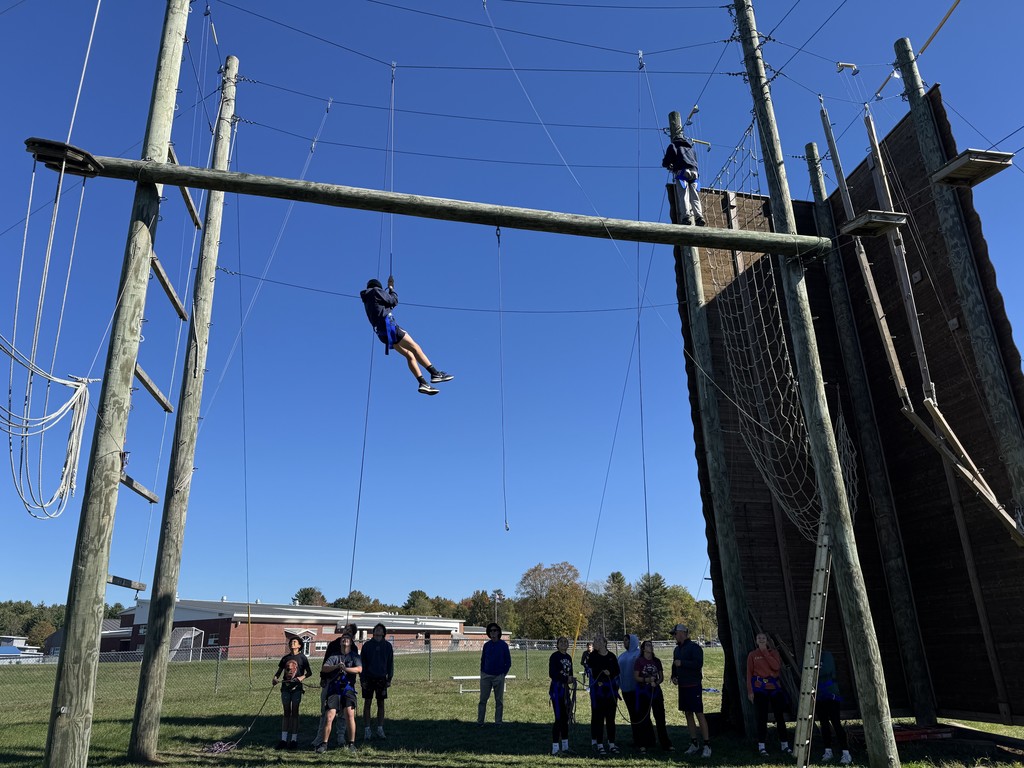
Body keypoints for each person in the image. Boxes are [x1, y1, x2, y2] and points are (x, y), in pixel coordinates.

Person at [360, 276, 453, 396]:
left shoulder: (367, 300)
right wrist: (392, 289)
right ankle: (435, 373)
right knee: (415, 347)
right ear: (378, 286)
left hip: (382, 334)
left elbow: (386, 305)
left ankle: (423, 383)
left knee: (409, 355)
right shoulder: (376, 291)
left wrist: (388, 295)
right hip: (390, 327)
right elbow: (393, 300)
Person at [313, 623, 360, 748]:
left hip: (347, 685)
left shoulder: (354, 648)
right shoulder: (333, 645)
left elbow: (358, 667)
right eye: (346, 630)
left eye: (350, 631)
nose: (347, 632)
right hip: (331, 682)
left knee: (345, 713)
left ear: (353, 635)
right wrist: (323, 677)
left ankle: (341, 736)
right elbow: (325, 663)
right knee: (326, 711)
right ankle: (320, 737)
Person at [746, 631, 791, 757]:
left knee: (779, 716)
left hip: (774, 687)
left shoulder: (774, 653)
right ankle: (762, 746)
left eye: (763, 638)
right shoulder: (752, 655)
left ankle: (784, 745)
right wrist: (750, 691)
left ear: (767, 640)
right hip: (760, 688)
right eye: (759, 638)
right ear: (756, 640)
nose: (761, 640)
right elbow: (749, 674)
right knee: (762, 717)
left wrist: (765, 652)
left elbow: (776, 667)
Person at [670, 623, 711, 757]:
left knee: (699, 713)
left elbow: (698, 664)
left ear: (682, 633)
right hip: (682, 686)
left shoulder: (695, 648)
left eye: (675, 634)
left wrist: (683, 663)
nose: (674, 637)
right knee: (688, 714)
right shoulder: (676, 650)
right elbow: (674, 665)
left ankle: (707, 745)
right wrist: (674, 676)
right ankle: (694, 743)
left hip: (693, 685)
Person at [271, 636, 313, 750]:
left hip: (296, 689)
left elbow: (309, 672)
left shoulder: (302, 658)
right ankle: (284, 739)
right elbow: (279, 672)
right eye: (291, 642)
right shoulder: (285, 658)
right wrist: (275, 678)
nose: (292, 644)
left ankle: (294, 740)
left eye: (294, 642)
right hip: (285, 688)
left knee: (294, 713)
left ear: (299, 645)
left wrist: (302, 677)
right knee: (286, 713)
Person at [633, 639, 673, 753]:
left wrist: (657, 682)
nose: (650, 647)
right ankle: (643, 743)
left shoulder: (657, 661)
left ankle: (665, 743)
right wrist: (646, 679)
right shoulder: (639, 661)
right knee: (644, 718)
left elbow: (661, 677)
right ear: (643, 648)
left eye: (651, 645)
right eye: (648, 645)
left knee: (660, 718)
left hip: (655, 692)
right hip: (643, 692)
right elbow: (636, 677)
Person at [661, 133, 706, 226]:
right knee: (695, 197)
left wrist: (669, 165)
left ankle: (686, 217)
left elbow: (666, 161)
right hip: (695, 173)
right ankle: (699, 217)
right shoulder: (691, 148)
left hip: (682, 172)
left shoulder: (673, 145)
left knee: (684, 195)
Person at [360, 622, 394, 741]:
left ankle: (380, 728)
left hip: (381, 678)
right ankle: (367, 729)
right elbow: (362, 663)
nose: (378, 631)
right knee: (367, 703)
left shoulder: (388, 646)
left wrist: (389, 678)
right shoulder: (367, 646)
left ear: (384, 633)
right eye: (376, 629)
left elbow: (390, 663)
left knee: (381, 703)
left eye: (381, 629)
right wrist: (362, 678)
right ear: (373, 632)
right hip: (368, 678)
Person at [587, 635, 621, 755]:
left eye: (599, 640)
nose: (596, 642)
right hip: (598, 691)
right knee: (598, 717)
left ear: (605, 643)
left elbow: (617, 670)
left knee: (611, 718)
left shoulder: (611, 656)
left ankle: (611, 743)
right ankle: (599, 743)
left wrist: (610, 673)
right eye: (595, 640)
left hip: (611, 690)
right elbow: (592, 671)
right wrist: (601, 673)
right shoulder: (592, 656)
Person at [817, 650, 852, 764]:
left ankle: (846, 753)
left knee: (836, 723)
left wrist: (816, 670)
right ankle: (828, 751)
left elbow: (826, 671)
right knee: (824, 724)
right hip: (819, 696)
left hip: (831, 695)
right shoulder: (809, 657)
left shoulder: (827, 656)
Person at [478, 622, 511, 725]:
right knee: (483, 700)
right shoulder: (486, 645)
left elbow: (508, 661)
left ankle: (498, 722)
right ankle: (480, 721)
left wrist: (503, 674)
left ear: (498, 632)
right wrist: (483, 672)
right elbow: (483, 660)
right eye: (491, 631)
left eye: (495, 630)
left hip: (499, 676)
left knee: (499, 701)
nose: (493, 633)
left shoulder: (503, 645)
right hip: (486, 676)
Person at [548, 636, 575, 755]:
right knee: (559, 718)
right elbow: (552, 673)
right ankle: (555, 748)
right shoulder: (555, 656)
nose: (564, 643)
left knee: (566, 718)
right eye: (561, 642)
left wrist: (571, 679)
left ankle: (565, 746)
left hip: (565, 691)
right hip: (557, 690)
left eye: (566, 641)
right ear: (557, 645)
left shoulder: (568, 657)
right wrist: (565, 678)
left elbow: (570, 672)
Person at [617, 634, 641, 747]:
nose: (625, 642)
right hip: (626, 690)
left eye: (627, 640)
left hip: (638, 690)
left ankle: (645, 738)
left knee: (640, 714)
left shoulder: (639, 654)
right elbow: (617, 673)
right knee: (632, 715)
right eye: (624, 640)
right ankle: (636, 738)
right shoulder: (621, 656)